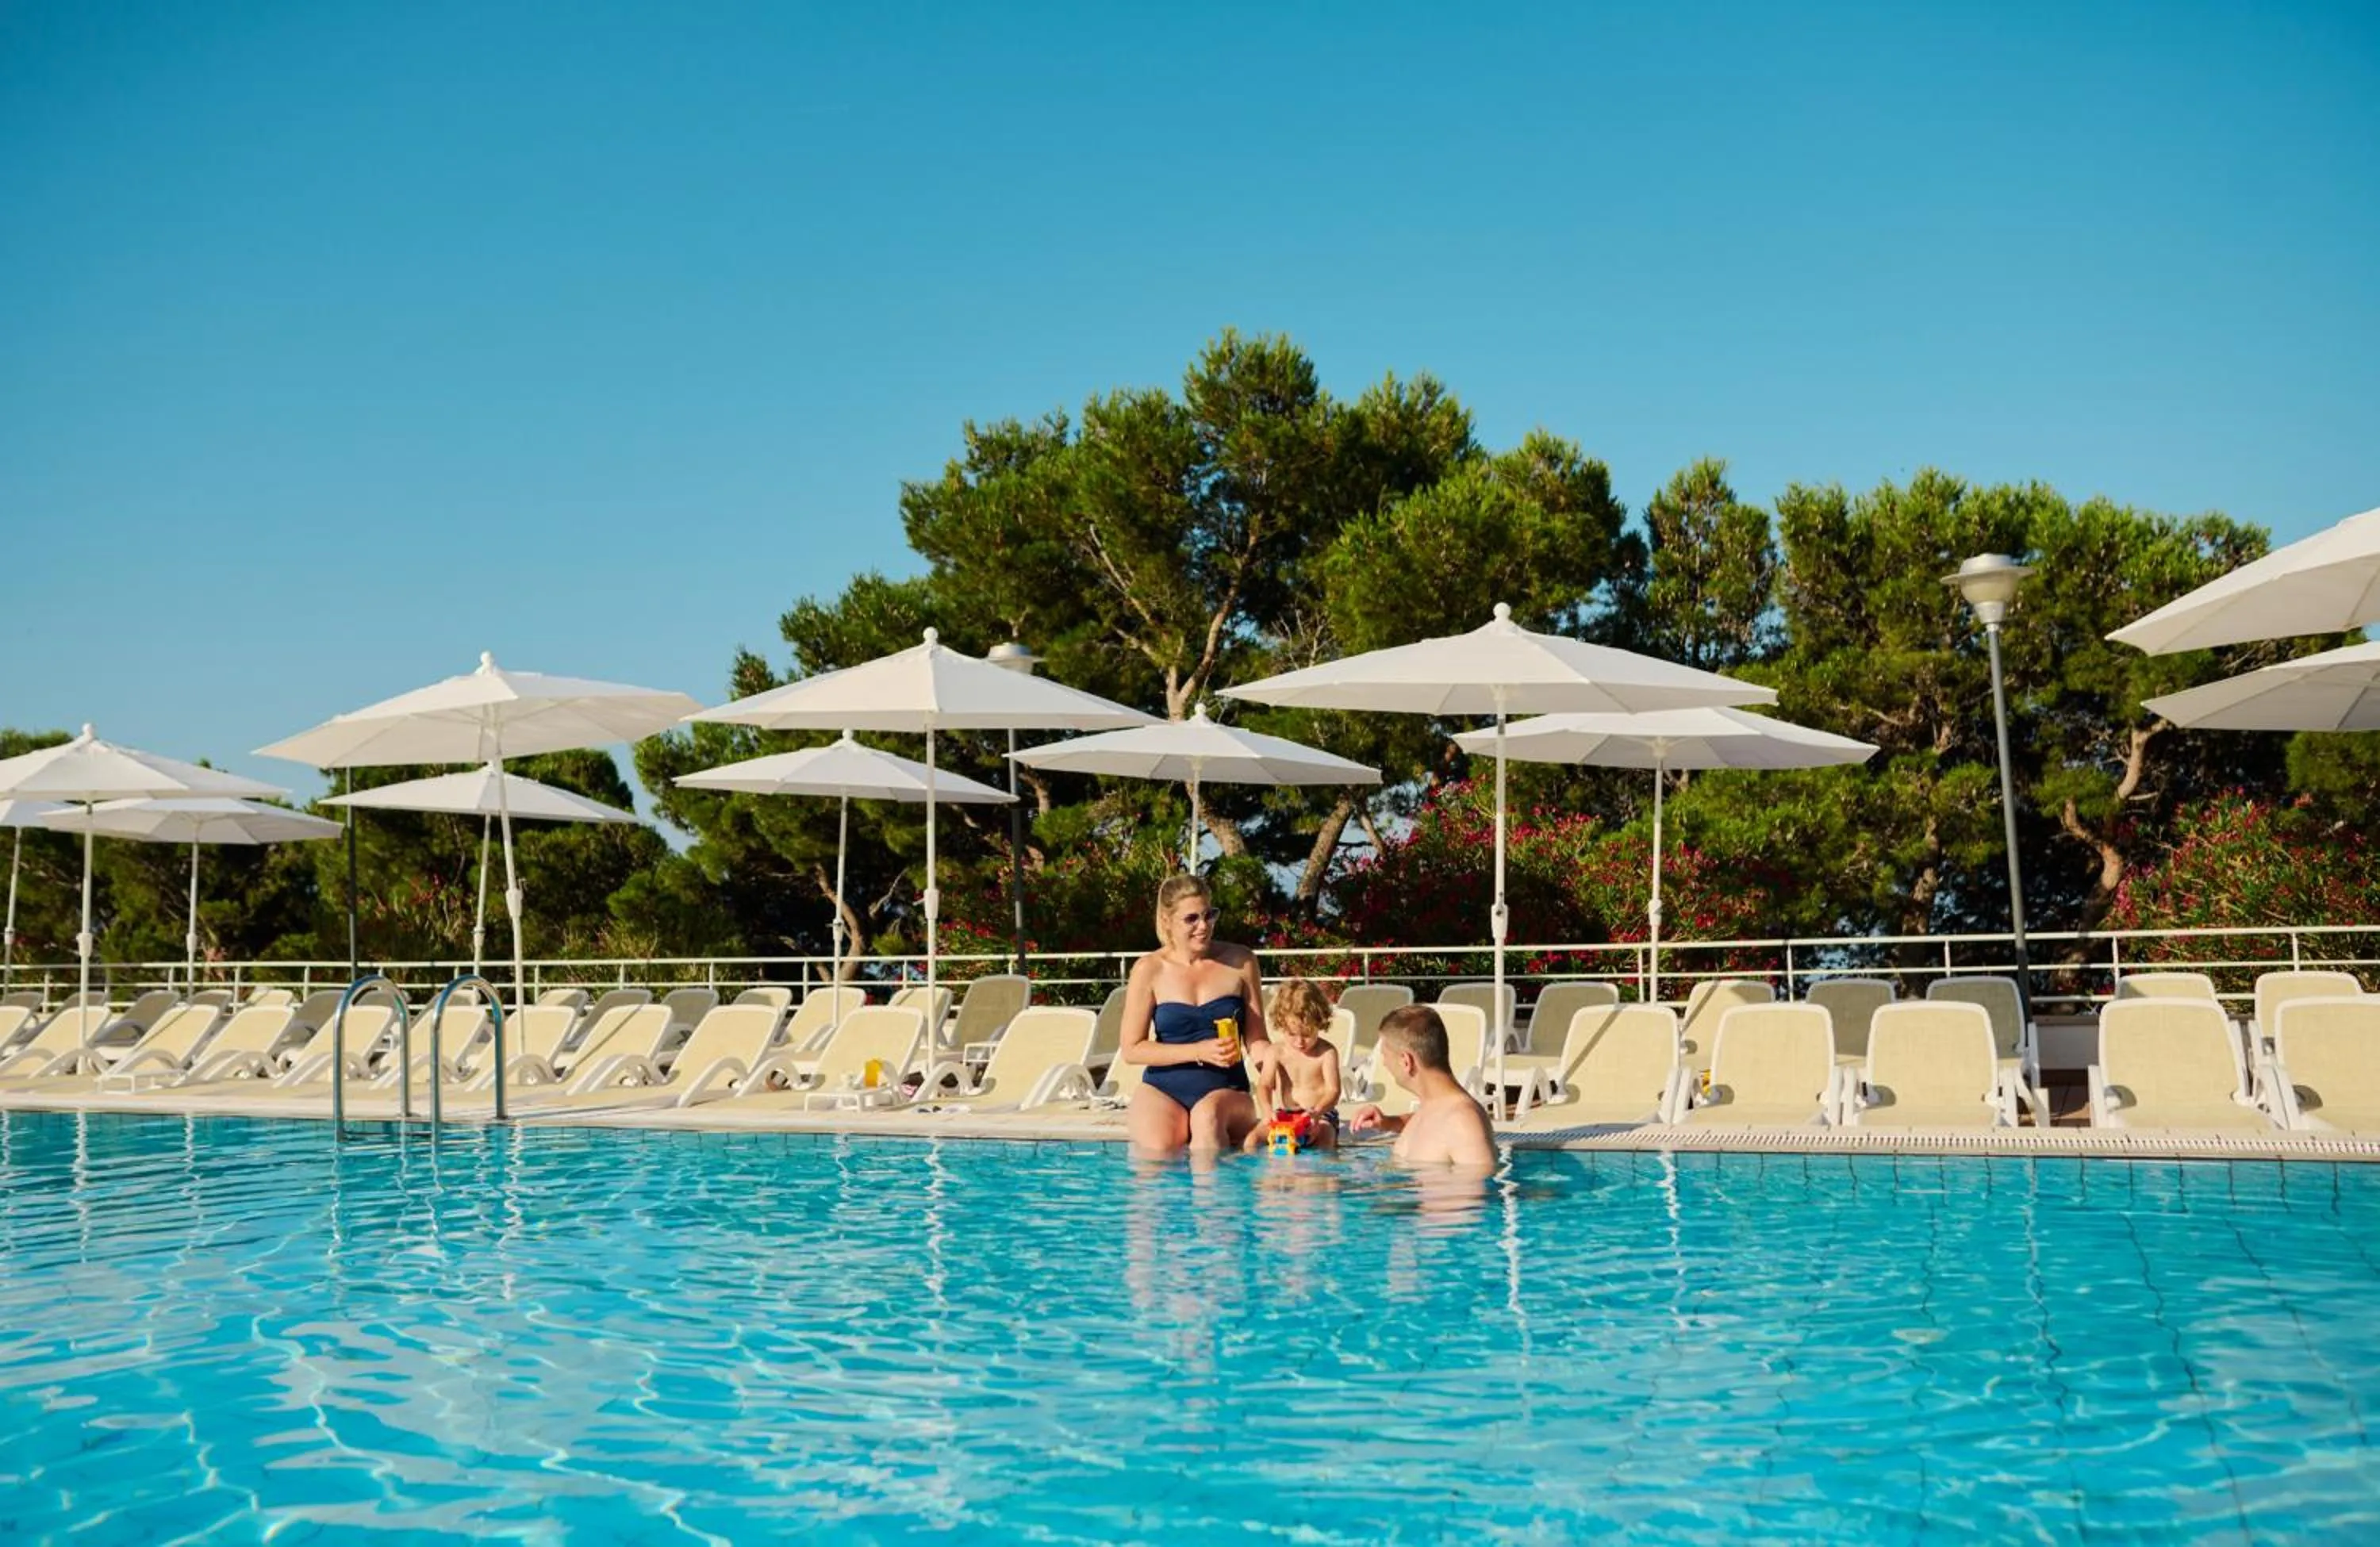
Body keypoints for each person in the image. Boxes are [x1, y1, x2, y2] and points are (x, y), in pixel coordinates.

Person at [1119, 875, 1268, 1154]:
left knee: (1207, 1119)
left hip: (1227, 1090)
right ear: (1167, 921)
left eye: (1209, 915)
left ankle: (1212, 1198)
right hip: (1163, 1088)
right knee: (1158, 1150)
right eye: (1191, 919)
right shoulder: (1149, 969)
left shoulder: (1240, 961)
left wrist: (1279, 1073)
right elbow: (1132, 1049)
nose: (1204, 926)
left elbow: (1257, 1039)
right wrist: (1198, 1050)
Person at [1344, 1004, 1496, 1168]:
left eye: (1384, 1055)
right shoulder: (1434, 1107)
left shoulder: (1464, 1123)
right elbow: (1434, 1125)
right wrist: (1387, 1122)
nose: (1384, 1063)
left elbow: (1479, 1190)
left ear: (1406, 1061)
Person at [1242, 977, 1341, 1153]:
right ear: (1281, 1024)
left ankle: (1326, 1178)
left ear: (1320, 1023)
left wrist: (1317, 1112)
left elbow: (1334, 1091)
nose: (1300, 1042)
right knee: (1252, 1140)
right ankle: (1261, 1177)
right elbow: (1264, 1085)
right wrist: (1267, 1111)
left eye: (1307, 1034)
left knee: (1326, 1138)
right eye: (1292, 1034)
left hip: (1319, 1114)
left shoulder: (1326, 1053)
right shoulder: (1276, 1052)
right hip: (1285, 1115)